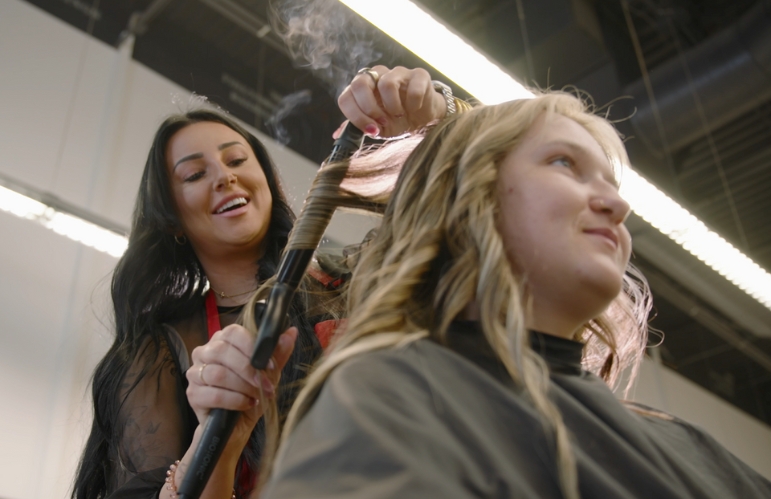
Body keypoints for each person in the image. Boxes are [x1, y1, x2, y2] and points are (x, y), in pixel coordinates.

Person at [259, 92, 771, 498]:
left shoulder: (685, 444)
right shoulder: (404, 394)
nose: (617, 204)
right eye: (565, 163)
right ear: (463, 200)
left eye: (612, 184)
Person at [72, 66, 454, 499]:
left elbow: (480, 226)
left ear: (269, 184)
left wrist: (437, 112)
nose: (224, 177)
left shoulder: (357, 278)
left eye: (236, 160)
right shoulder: (160, 353)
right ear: (173, 220)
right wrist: (212, 441)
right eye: (195, 175)